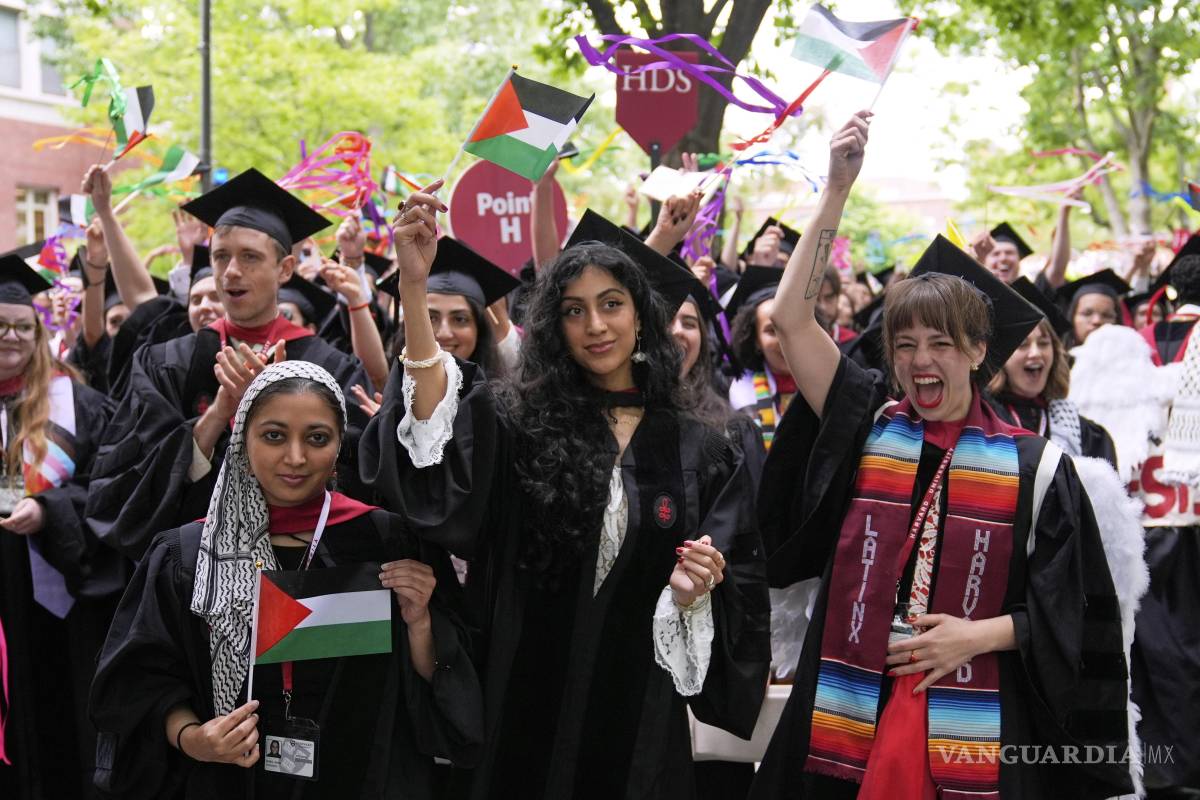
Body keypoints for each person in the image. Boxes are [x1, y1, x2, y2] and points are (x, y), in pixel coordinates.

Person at [749, 112, 1134, 800]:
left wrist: (976, 635)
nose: (921, 361)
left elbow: (1076, 609)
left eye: (942, 343)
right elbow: (791, 317)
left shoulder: (1036, 466)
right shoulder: (867, 423)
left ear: (980, 351)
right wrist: (836, 189)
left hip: (977, 711)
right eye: (905, 345)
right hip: (853, 702)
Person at [359, 182, 771, 800]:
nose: (595, 325)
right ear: (554, 324)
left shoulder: (704, 445)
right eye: (574, 310)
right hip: (520, 706)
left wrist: (695, 595)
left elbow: (737, 590)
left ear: (642, 314)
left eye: (611, 304)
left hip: (637, 721)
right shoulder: (514, 422)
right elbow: (432, 455)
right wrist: (414, 288)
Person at [89, 362, 481, 798]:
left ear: (338, 444)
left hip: (358, 777)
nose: (295, 458)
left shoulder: (384, 540)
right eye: (274, 436)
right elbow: (140, 679)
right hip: (229, 779)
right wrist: (193, 738)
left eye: (317, 438)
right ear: (242, 439)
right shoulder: (190, 552)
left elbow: (446, 684)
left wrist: (420, 624)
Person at [85, 168, 373, 562]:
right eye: (221, 256)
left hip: (302, 572)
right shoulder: (168, 361)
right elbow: (122, 485)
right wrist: (219, 412)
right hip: (193, 571)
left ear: (285, 269)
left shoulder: (329, 365)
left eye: (250, 257)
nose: (231, 271)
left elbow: (362, 478)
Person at [0, 252, 118, 800]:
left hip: (56, 596)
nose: (12, 336)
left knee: (56, 717)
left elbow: (113, 486)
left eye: (24, 326)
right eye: (0, 326)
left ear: (39, 332)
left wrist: (51, 510)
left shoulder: (77, 403)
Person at [986, 276, 1118, 467]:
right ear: (1002, 356)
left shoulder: (1083, 432)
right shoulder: (984, 418)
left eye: (1043, 343)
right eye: (1022, 345)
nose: (1036, 353)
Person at [1059, 268, 1130, 347]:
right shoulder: (1055, 358)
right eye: (1087, 313)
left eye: (1107, 315)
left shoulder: (1132, 358)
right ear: (1072, 318)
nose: (1097, 321)